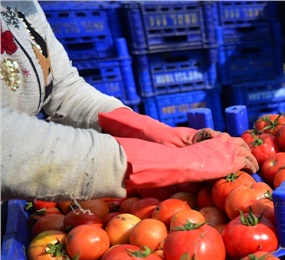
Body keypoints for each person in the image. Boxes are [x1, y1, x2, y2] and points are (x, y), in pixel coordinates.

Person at [0, 0, 258, 203]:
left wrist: (154, 132)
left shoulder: (26, 5)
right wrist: (172, 162)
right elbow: (7, 142)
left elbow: (63, 88)